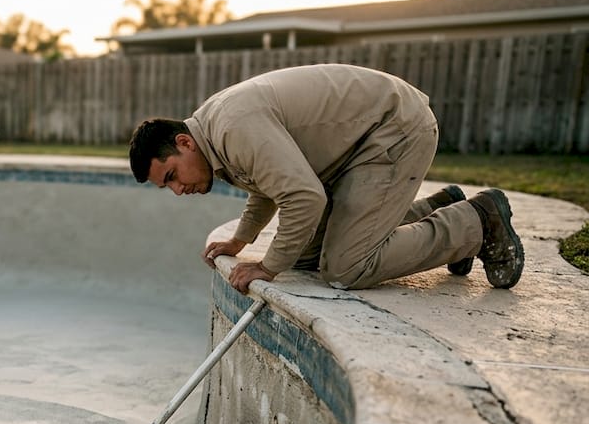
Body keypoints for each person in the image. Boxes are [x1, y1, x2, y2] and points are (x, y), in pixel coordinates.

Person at [126, 63, 524, 293]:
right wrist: (241, 240)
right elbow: (268, 186)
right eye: (170, 187)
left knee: (346, 268)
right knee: (304, 257)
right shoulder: (215, 135)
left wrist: (267, 268)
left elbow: (304, 197)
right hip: (357, 149)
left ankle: (477, 221)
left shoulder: (232, 128)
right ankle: (436, 208)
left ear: (183, 143)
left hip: (393, 130)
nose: (179, 190)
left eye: (172, 176)